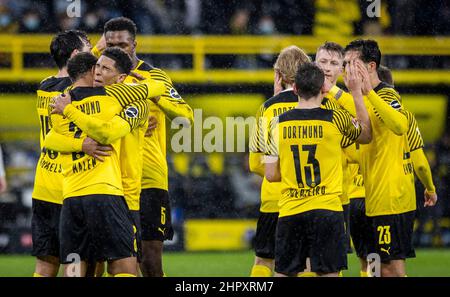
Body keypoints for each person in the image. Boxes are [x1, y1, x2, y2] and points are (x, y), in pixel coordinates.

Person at [48, 51, 164, 277]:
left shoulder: (63, 100)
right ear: (91, 70)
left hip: (76, 196)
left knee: (77, 266)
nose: (99, 72)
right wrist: (84, 144)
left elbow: (51, 140)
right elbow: (107, 133)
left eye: (105, 68)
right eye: (97, 67)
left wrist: (78, 139)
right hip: (111, 194)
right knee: (124, 265)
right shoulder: (115, 97)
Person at [102, 17, 193, 277]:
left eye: (123, 44)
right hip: (111, 179)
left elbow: (186, 118)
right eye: (111, 44)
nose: (118, 49)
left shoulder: (154, 76)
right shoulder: (100, 77)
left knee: (150, 257)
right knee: (114, 258)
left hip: (149, 177)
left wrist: (154, 96)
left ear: (135, 44)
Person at [265, 62, 371, 277]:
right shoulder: (336, 118)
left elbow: (270, 174)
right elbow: (367, 135)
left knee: (284, 274)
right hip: (327, 210)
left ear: (295, 89)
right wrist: (357, 96)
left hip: (290, 210)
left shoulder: (275, 124)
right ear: (323, 88)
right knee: (329, 274)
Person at [327, 39, 422, 276]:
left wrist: (367, 91)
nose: (345, 68)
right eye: (344, 63)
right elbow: (362, 120)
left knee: (390, 269)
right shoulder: (365, 98)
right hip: (377, 196)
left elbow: (400, 125)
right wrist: (333, 89)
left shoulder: (387, 94)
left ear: (370, 66)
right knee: (377, 267)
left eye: (351, 63)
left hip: (391, 196)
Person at [31, 30, 106, 277]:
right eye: (88, 50)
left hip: (43, 186)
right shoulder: (76, 92)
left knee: (45, 266)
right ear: (76, 55)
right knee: (76, 263)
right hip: (70, 188)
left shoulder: (44, 85)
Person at [248, 45, 311, 277]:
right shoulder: (316, 105)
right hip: (308, 197)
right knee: (306, 263)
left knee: (264, 261)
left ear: (278, 75)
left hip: (274, 199)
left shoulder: (267, 109)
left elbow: (255, 164)